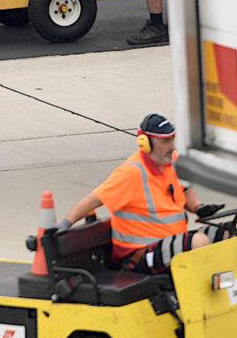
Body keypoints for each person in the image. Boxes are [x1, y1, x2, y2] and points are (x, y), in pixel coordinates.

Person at [52, 113, 227, 273]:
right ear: (145, 143)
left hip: (172, 241)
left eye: (172, 139)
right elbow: (95, 199)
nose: (172, 147)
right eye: (165, 141)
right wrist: (67, 222)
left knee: (226, 234)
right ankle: (202, 294)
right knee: (199, 242)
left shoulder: (172, 162)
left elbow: (184, 189)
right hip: (140, 253)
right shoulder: (132, 172)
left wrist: (198, 207)